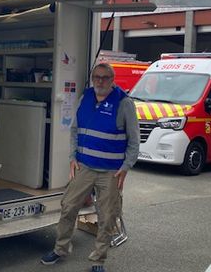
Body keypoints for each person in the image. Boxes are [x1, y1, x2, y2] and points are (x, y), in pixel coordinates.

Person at [41, 63, 140, 272]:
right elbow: (75, 131)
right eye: (97, 77)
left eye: (105, 77)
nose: (100, 81)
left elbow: (134, 141)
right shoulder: (85, 98)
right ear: (92, 78)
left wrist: (126, 166)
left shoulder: (124, 103)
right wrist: (72, 157)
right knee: (68, 206)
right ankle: (60, 249)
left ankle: (98, 261)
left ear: (112, 80)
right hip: (84, 167)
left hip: (111, 172)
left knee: (106, 216)